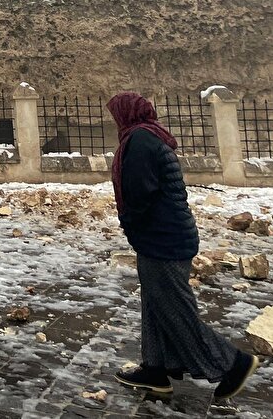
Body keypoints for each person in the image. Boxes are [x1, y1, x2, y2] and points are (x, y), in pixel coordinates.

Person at [108, 91, 259, 401]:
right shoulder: (151, 135)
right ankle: (155, 369)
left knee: (175, 310)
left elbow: (139, 193)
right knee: (156, 304)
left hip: (161, 238)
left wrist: (129, 222)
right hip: (169, 235)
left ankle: (233, 363)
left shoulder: (139, 141)